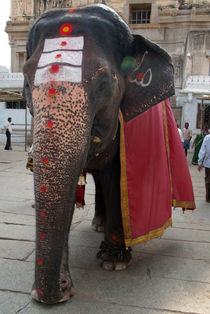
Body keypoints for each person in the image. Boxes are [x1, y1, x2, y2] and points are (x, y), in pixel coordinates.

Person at [198, 134, 210, 203]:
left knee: (208, 180)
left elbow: (203, 151)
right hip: (208, 162)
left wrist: (200, 162)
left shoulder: (207, 137)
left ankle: (208, 198)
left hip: (208, 163)